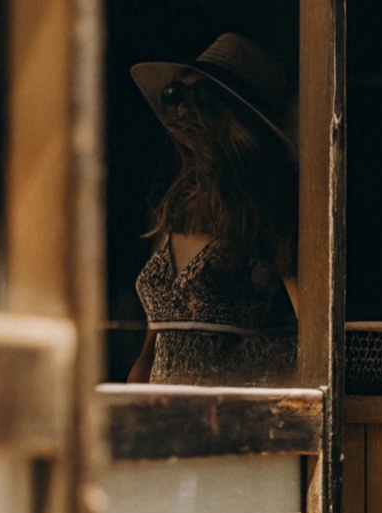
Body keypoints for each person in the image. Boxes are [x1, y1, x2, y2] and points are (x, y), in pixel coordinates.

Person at [127, 33, 300, 386]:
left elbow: (316, 341)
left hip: (233, 426)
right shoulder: (171, 211)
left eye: (203, 96)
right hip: (163, 424)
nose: (182, 109)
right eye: (175, 95)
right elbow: (156, 340)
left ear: (239, 119)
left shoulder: (269, 215)